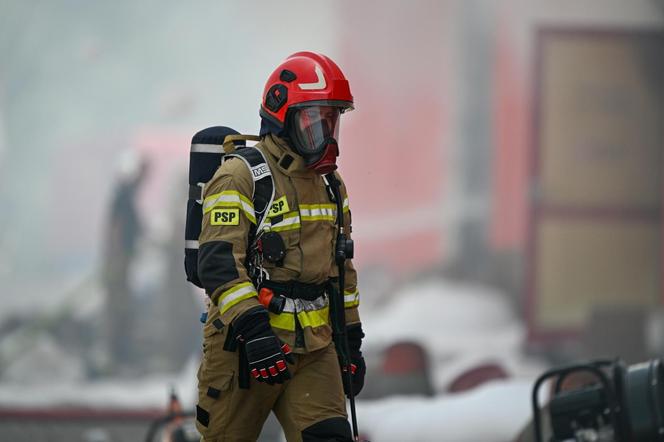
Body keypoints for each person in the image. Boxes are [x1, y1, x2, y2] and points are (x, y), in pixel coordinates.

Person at [195, 52, 365, 442]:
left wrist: (350, 340)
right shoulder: (240, 176)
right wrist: (255, 333)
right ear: (281, 116)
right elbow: (219, 265)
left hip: (314, 349)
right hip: (243, 349)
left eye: (331, 120)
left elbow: (342, 271)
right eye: (315, 121)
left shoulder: (331, 186)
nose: (326, 134)